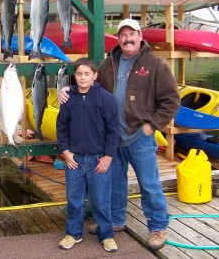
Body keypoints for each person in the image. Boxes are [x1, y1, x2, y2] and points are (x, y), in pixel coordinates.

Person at [59, 19, 180, 250]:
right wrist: (68, 88)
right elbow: (87, 83)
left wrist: (151, 126)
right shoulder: (107, 64)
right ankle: (115, 221)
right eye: (123, 35)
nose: (127, 39)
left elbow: (172, 100)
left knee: (149, 183)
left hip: (140, 137)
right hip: (112, 141)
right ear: (119, 39)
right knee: (114, 183)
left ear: (140, 36)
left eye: (131, 34)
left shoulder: (155, 64)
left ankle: (157, 226)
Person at [57, 57, 119, 252]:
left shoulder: (106, 98)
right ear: (74, 76)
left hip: (98, 158)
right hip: (74, 159)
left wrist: (108, 156)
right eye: (79, 74)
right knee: (74, 199)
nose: (82, 78)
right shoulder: (68, 99)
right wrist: (66, 153)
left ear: (95, 76)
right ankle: (73, 233)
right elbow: (62, 127)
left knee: (101, 199)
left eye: (87, 74)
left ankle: (107, 234)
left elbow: (113, 129)